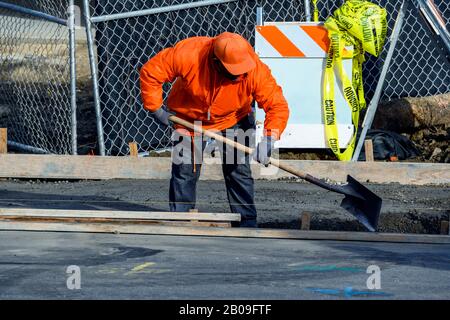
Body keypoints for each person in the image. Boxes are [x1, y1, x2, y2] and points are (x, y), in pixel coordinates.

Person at [140, 32, 289, 227]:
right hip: (189, 120)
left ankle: (246, 223)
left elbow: (277, 105)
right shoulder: (189, 54)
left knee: (238, 171)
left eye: (242, 72)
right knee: (185, 171)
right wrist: (156, 109)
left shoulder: (254, 69)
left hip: (234, 118)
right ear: (216, 62)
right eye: (234, 73)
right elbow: (151, 71)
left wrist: (270, 138)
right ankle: (181, 221)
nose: (240, 77)